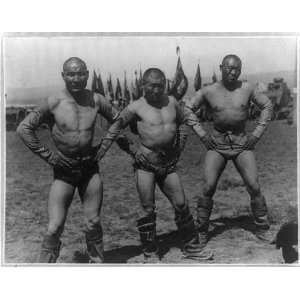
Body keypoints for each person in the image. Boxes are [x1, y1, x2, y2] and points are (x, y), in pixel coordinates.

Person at [17, 57, 129, 263]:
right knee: (54, 227)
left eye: (80, 73)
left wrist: (103, 147)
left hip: (89, 168)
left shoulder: (96, 99)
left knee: (93, 222)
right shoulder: (53, 101)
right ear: (63, 76)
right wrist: (49, 156)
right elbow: (24, 128)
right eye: (71, 74)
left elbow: (119, 120)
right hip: (64, 171)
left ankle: (96, 263)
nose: (76, 78)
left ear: (87, 74)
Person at [95, 68, 213, 262]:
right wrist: (133, 151)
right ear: (144, 86)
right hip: (146, 165)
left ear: (164, 85)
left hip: (168, 164)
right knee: (148, 209)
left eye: (160, 85)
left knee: (182, 204)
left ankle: (192, 247)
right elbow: (114, 126)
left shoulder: (172, 102)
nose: (156, 90)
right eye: (152, 86)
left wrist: (180, 146)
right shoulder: (135, 107)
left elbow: (186, 121)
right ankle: (150, 253)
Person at [183, 54, 273, 248]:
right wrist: (202, 134)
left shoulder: (247, 89)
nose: (233, 72)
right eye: (229, 68)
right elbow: (187, 109)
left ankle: (263, 228)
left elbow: (267, 105)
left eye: (237, 69)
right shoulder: (209, 90)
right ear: (221, 67)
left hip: (242, 143)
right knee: (208, 187)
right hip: (217, 144)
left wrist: (256, 134)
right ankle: (202, 230)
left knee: (254, 185)